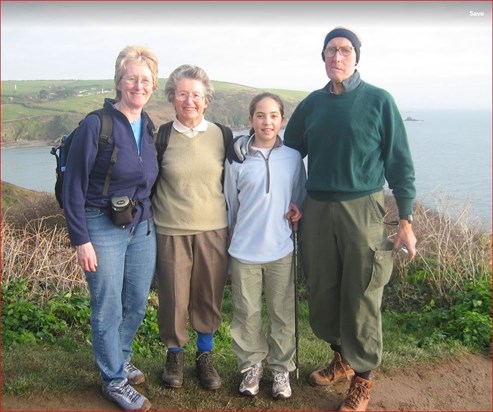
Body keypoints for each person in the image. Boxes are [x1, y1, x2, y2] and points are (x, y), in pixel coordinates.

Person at [282, 27, 417, 411]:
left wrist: (404, 219)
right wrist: (291, 199)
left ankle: (363, 379)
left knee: (362, 294)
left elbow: (400, 162)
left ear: (356, 57)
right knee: (324, 291)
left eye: (344, 50)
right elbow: (289, 155)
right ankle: (341, 357)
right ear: (323, 58)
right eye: (330, 51)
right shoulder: (311, 105)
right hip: (317, 209)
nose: (336, 57)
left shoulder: (378, 101)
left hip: (364, 208)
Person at [62, 46, 160, 410]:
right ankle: (114, 379)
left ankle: (121, 357)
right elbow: (74, 184)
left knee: (135, 302)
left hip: (142, 225)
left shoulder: (147, 124)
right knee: (107, 306)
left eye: (145, 79)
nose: (138, 85)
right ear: (119, 82)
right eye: (131, 78)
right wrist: (81, 239)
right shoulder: (96, 124)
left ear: (153, 85)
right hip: (100, 224)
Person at [151, 64, 232, 391]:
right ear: (172, 98)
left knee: (208, 294)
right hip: (170, 228)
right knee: (173, 296)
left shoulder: (221, 135)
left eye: (196, 95)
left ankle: (205, 355)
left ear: (206, 100)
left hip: (214, 227)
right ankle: (174, 356)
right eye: (182, 94)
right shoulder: (162, 136)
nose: (189, 101)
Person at [223, 93, 306, 399]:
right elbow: (231, 204)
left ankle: (281, 369)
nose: (267, 122)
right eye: (260, 115)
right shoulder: (236, 159)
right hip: (244, 251)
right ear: (250, 120)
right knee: (246, 314)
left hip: (280, 250)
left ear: (281, 120)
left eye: (273, 116)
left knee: (282, 314)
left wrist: (300, 210)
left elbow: (299, 198)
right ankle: (250, 366)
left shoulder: (293, 158)